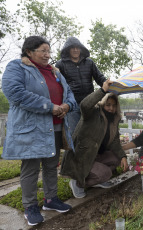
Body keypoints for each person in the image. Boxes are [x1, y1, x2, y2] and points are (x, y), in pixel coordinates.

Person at [1, 36, 77, 226]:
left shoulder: (55, 71)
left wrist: (67, 105)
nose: (47, 55)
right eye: (43, 50)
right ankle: (30, 206)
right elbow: (15, 93)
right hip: (33, 128)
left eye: (49, 51)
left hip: (56, 126)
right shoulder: (17, 67)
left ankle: (51, 199)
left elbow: (70, 95)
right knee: (31, 168)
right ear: (29, 51)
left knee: (52, 165)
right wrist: (49, 106)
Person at [60, 80, 129, 198]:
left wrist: (123, 156)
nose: (111, 108)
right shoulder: (92, 113)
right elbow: (84, 105)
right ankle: (77, 182)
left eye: (113, 105)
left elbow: (115, 141)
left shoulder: (113, 120)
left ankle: (97, 179)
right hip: (81, 157)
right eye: (108, 105)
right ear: (102, 103)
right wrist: (102, 90)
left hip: (96, 156)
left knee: (116, 159)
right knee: (106, 173)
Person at [55, 37, 107, 134]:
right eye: (72, 48)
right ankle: (72, 150)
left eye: (77, 47)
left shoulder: (89, 62)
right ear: (68, 49)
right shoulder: (60, 64)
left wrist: (109, 85)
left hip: (90, 103)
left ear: (81, 48)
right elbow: (57, 85)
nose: (75, 50)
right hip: (72, 105)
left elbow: (100, 78)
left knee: (91, 133)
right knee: (74, 134)